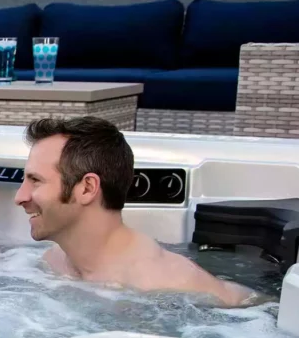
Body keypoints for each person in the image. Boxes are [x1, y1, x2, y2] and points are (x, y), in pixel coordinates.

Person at [14, 116, 251, 306]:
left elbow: (254, 309)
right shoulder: (53, 262)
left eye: (35, 180)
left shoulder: (166, 284)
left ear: (87, 188)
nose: (19, 197)